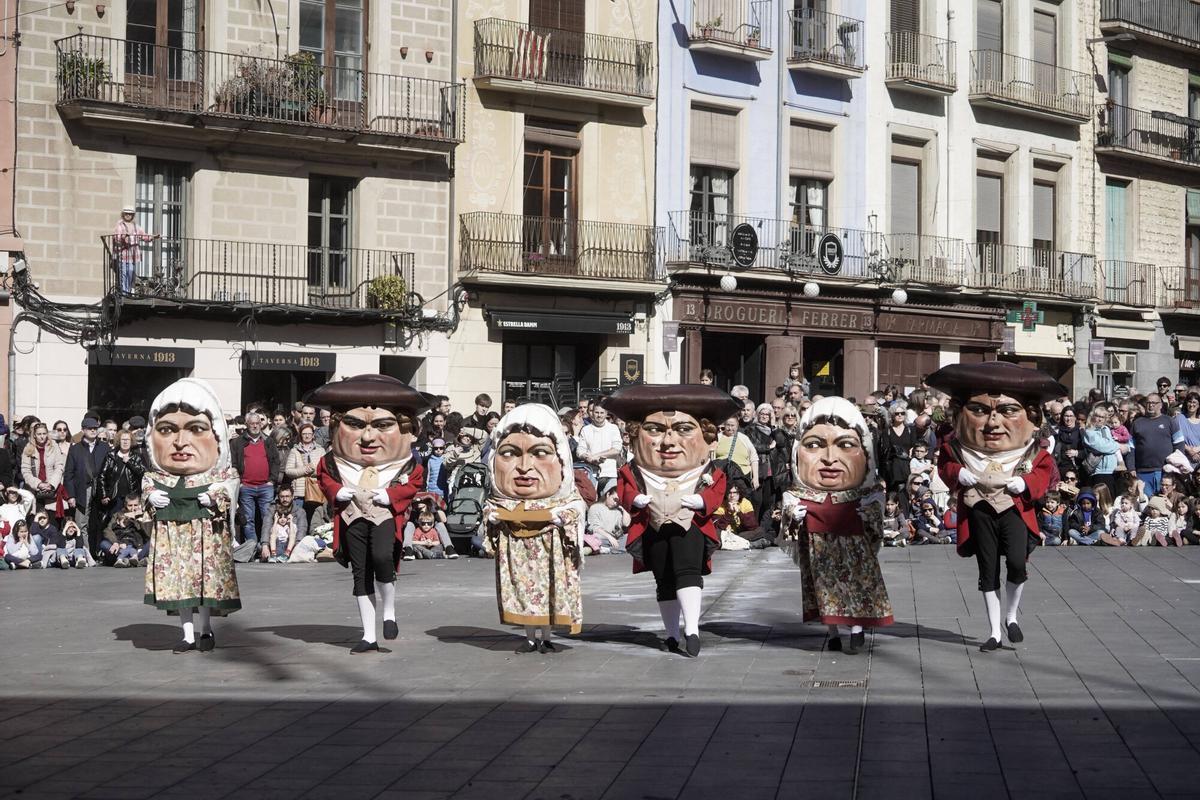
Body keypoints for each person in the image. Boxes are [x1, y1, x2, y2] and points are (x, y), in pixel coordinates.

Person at [930, 362, 1061, 653]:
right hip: (979, 508)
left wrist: (1025, 483)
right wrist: (956, 474)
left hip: (1013, 509)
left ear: (1031, 416)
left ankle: (1011, 617)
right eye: (978, 410)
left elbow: (1044, 473)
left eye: (1007, 410)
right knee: (987, 570)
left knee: (1016, 562)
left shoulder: (1034, 451)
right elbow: (945, 465)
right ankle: (994, 632)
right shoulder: (958, 449)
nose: (992, 423)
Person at [604, 384, 738, 658]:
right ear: (635, 435)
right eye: (654, 429)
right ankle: (672, 633)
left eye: (683, 429)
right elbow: (624, 489)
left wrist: (702, 501)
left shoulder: (709, 470)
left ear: (707, 436)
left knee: (688, 572)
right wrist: (635, 499)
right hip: (653, 526)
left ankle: (692, 630)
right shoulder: (632, 471)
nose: (667, 441)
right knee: (663, 578)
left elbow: (718, 489)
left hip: (690, 525)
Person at [311, 374, 429, 654]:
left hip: (384, 514)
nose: (367, 437)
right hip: (352, 515)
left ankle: (389, 612)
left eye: (383, 425)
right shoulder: (332, 461)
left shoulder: (407, 465)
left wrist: (390, 495)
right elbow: (324, 476)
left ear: (407, 429)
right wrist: (336, 491)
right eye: (354, 424)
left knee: (382, 558)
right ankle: (368, 635)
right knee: (360, 574)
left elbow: (414, 484)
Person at [780, 397, 893, 654]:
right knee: (824, 587)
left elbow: (877, 511)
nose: (830, 459)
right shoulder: (798, 492)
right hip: (819, 544)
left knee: (857, 582)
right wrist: (792, 515)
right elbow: (788, 516)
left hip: (853, 541)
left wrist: (871, 511)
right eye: (814, 445)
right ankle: (832, 633)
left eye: (845, 445)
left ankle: (856, 629)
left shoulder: (867, 492)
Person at [142, 379, 241, 653]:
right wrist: (150, 496)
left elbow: (229, 489)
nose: (180, 443)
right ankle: (187, 634)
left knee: (204, 581)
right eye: (166, 430)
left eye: (196, 429)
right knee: (180, 583)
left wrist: (215, 498)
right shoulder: (155, 476)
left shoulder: (221, 475)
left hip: (205, 535)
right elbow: (147, 487)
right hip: (173, 536)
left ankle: (206, 629)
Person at [483, 403, 586, 653]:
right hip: (516, 549)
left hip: (549, 548)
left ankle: (547, 636)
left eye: (540, 453)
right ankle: (530, 637)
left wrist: (560, 517)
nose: (524, 467)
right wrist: (495, 517)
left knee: (549, 589)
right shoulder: (499, 499)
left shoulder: (565, 497)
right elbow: (490, 511)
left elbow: (575, 509)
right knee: (523, 590)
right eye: (509, 453)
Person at [229, 412, 281, 547]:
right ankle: (253, 547)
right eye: (252, 423)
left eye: (257, 423)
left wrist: (272, 480)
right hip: (246, 486)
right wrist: (239, 482)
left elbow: (276, 461)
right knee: (248, 520)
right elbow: (233, 463)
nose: (255, 426)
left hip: (266, 486)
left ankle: (266, 546)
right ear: (247, 424)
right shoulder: (237, 442)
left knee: (267, 518)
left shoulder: (268, 441)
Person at [63, 416, 110, 554]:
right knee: (81, 523)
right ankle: (84, 553)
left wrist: (107, 492)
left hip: (101, 491)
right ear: (83, 430)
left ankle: (99, 552)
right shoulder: (75, 449)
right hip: (83, 490)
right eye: (90, 428)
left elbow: (110, 472)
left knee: (99, 523)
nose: (93, 430)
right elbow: (68, 474)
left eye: (95, 428)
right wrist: (71, 496)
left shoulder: (105, 447)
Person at [1129, 393, 1183, 497]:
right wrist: (1131, 467)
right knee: (1145, 504)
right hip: (1143, 472)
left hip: (1164, 471)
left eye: (1154, 403)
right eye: (1148, 402)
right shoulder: (1137, 423)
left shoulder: (1169, 421)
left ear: (1161, 405)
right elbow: (1131, 448)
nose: (1151, 405)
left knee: (1163, 503)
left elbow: (1179, 444)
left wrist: (1176, 467)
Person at [21, 422, 66, 517]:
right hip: (34, 491)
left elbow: (59, 467)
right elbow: (25, 471)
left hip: (51, 491)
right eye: (39, 434)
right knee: (35, 522)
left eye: (44, 434)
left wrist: (51, 483)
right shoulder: (28, 448)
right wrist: (38, 484)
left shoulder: (54, 446)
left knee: (51, 524)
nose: (42, 436)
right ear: (34, 435)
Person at [283, 422, 326, 522]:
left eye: (309, 433)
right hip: (299, 492)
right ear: (300, 435)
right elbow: (288, 471)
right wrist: (304, 470)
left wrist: (313, 470)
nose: (307, 436)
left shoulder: (320, 450)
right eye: (304, 434)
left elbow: (324, 470)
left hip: (315, 491)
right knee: (299, 520)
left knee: (314, 519)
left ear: (313, 435)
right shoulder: (295, 451)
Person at [112, 205, 158, 294]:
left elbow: (144, 236)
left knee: (130, 272)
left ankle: (128, 291)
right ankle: (124, 293)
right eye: (126, 214)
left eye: (130, 214)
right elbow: (117, 237)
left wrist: (152, 237)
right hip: (123, 254)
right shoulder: (120, 226)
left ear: (133, 215)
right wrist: (124, 237)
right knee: (123, 273)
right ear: (123, 214)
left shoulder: (136, 226)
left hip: (133, 255)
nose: (128, 215)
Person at [100, 493, 152, 567]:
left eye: (135, 505)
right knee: (104, 544)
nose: (133, 508)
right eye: (130, 505)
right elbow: (107, 530)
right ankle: (132, 560)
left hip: (137, 547)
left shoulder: (144, 515)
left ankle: (127, 559)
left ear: (139, 504)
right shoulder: (118, 514)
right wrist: (115, 542)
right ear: (125, 505)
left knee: (153, 541)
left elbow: (148, 534)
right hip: (121, 546)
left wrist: (139, 520)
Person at [576, 404, 623, 482]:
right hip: (591, 474)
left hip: (609, 474)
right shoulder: (585, 429)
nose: (599, 415)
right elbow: (580, 451)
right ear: (592, 413)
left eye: (602, 413)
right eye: (596, 412)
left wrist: (596, 455)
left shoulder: (613, 428)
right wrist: (588, 458)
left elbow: (617, 449)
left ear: (606, 413)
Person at [261, 485, 306, 562]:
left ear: (292, 497)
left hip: (292, 545)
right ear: (278, 497)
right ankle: (272, 555)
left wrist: (297, 546)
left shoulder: (300, 511)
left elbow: (302, 529)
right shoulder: (272, 509)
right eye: (282, 496)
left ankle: (285, 555)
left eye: (287, 496)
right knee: (254, 545)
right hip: (274, 544)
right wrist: (265, 545)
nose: (285, 499)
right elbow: (266, 526)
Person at [1082, 405, 1120, 497]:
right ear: (1093, 417)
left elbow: (1109, 445)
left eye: (1102, 417)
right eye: (1097, 416)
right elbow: (1102, 446)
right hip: (1099, 472)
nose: (1099, 419)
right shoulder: (1089, 431)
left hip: (1112, 472)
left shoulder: (1106, 429)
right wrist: (1119, 446)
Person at [584, 478, 629, 554]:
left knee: (629, 538)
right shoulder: (595, 508)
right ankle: (609, 549)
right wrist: (610, 537)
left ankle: (606, 549)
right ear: (608, 494)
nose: (616, 503)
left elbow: (626, 524)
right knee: (596, 538)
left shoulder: (618, 510)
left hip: (616, 539)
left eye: (618, 501)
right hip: (602, 537)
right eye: (614, 499)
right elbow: (594, 528)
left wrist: (624, 509)